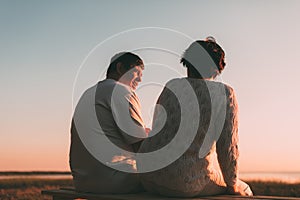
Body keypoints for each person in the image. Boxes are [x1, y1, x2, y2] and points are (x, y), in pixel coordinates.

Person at [138, 37, 253, 197]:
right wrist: (233, 185)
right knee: (244, 189)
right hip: (184, 183)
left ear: (187, 63)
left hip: (148, 176)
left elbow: (158, 127)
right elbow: (228, 147)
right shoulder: (225, 93)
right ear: (217, 68)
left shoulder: (172, 86)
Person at [70, 52, 148, 194]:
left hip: (82, 182)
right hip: (117, 180)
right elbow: (141, 146)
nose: (140, 79)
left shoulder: (89, 92)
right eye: (136, 72)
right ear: (120, 68)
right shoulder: (120, 90)